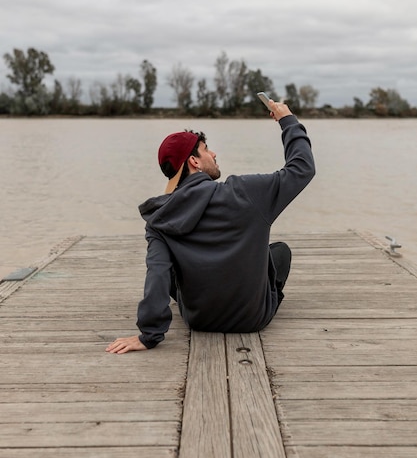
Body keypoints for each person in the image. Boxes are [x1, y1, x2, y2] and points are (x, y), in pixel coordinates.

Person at [106, 99, 315, 354]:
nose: (213, 154)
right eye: (207, 149)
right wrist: (288, 120)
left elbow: (157, 274)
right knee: (279, 252)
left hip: (198, 320)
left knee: (168, 263)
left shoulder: (160, 218)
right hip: (253, 320)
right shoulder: (246, 192)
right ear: (194, 161)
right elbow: (302, 168)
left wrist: (149, 335)